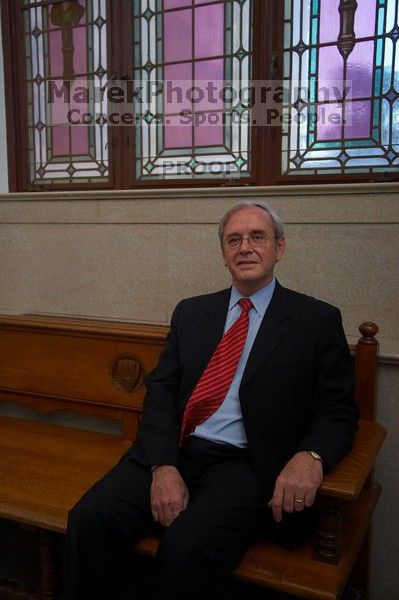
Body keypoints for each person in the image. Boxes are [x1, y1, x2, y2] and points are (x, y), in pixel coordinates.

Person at [64, 201, 358, 600]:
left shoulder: (317, 320)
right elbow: (161, 393)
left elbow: (338, 409)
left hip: (245, 465)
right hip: (176, 449)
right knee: (88, 519)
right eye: (233, 239)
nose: (245, 247)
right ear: (223, 254)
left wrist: (311, 456)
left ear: (280, 247)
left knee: (185, 552)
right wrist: (164, 465)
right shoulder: (191, 312)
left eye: (258, 237)